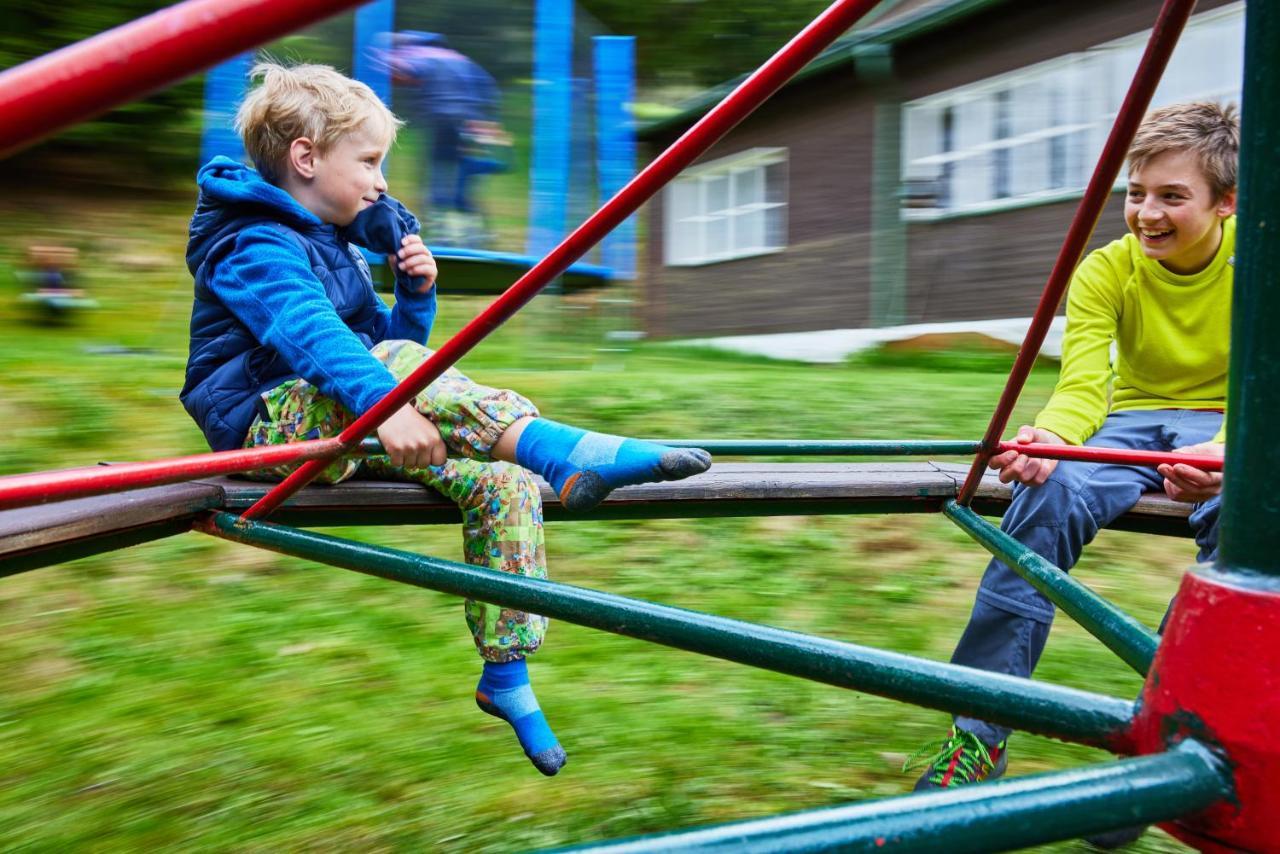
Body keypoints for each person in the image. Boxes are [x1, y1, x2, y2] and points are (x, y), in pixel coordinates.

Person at [179, 62, 711, 777]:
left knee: (504, 485)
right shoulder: (250, 242)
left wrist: (414, 296)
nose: (380, 184)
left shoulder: (332, 242)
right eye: (367, 162)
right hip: (263, 429)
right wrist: (389, 402)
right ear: (305, 158)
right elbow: (313, 334)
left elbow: (391, 354)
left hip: (335, 422)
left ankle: (506, 675)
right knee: (424, 389)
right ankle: (556, 448)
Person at [907, 101, 1238, 796]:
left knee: (1244, 521)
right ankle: (978, 732)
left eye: (1173, 197)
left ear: (1226, 202)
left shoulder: (1258, 264)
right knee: (1045, 490)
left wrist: (1228, 451)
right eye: (1137, 193)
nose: (1147, 213)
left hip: (1234, 420)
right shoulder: (1106, 270)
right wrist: (1052, 439)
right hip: (1135, 421)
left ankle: (1164, 745)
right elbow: (1085, 383)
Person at [378, 31, 502, 243]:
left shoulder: (422, 54)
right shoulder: (460, 59)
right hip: (468, 124)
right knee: (462, 175)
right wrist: (483, 118)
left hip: (441, 120)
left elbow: (402, 72)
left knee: (437, 174)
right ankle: (475, 229)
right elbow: (488, 86)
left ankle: (438, 229)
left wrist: (384, 57)